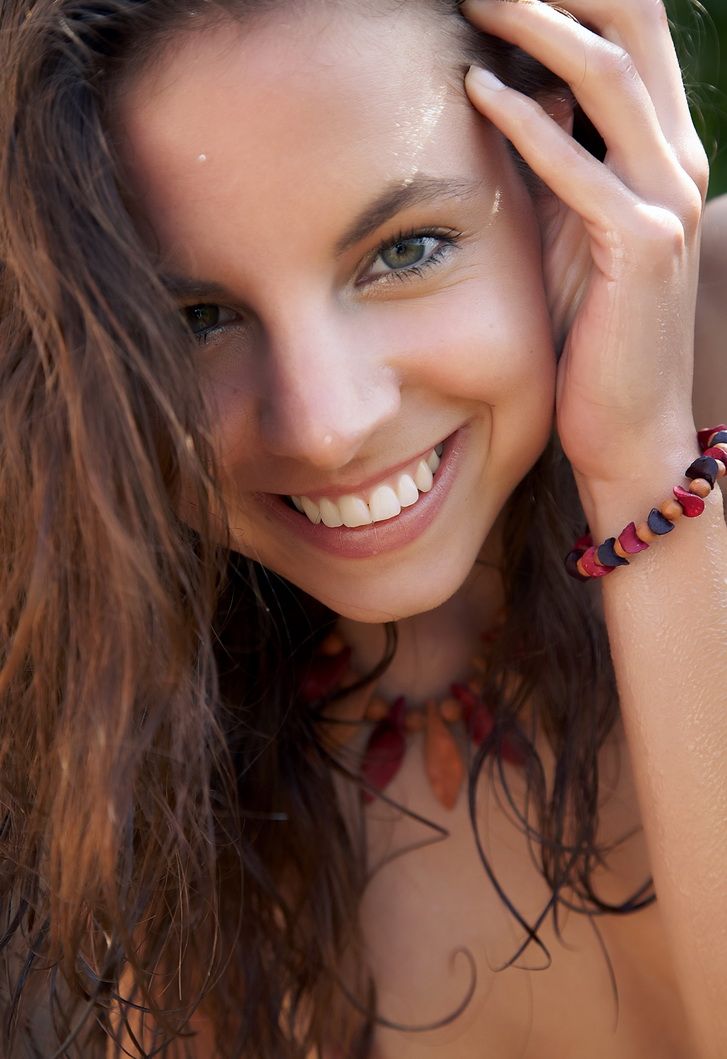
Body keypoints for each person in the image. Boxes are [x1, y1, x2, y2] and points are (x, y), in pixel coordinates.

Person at [0, 0, 726, 1055]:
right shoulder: (147, 699)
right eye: (194, 320)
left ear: (568, 162)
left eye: (407, 249)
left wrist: (642, 463)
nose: (328, 426)